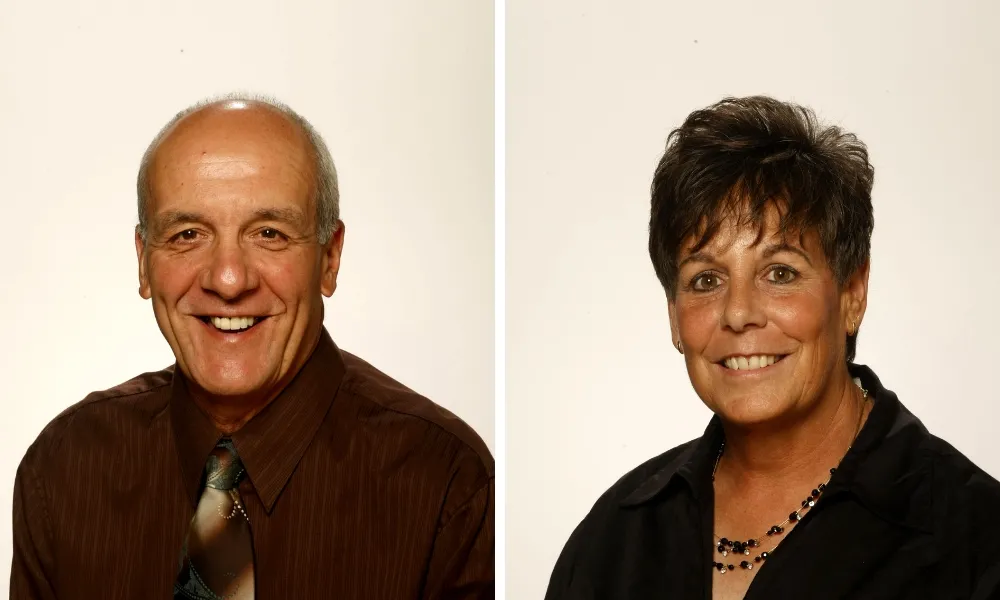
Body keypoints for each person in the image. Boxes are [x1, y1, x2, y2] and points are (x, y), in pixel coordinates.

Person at [10, 95, 494, 599]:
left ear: (329, 258)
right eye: (187, 234)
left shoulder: (447, 486)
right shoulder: (65, 470)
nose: (228, 278)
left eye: (269, 233)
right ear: (143, 261)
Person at [544, 96, 1000, 600]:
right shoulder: (615, 536)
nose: (739, 313)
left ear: (852, 293)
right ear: (674, 315)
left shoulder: (977, 540)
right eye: (706, 279)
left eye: (779, 273)